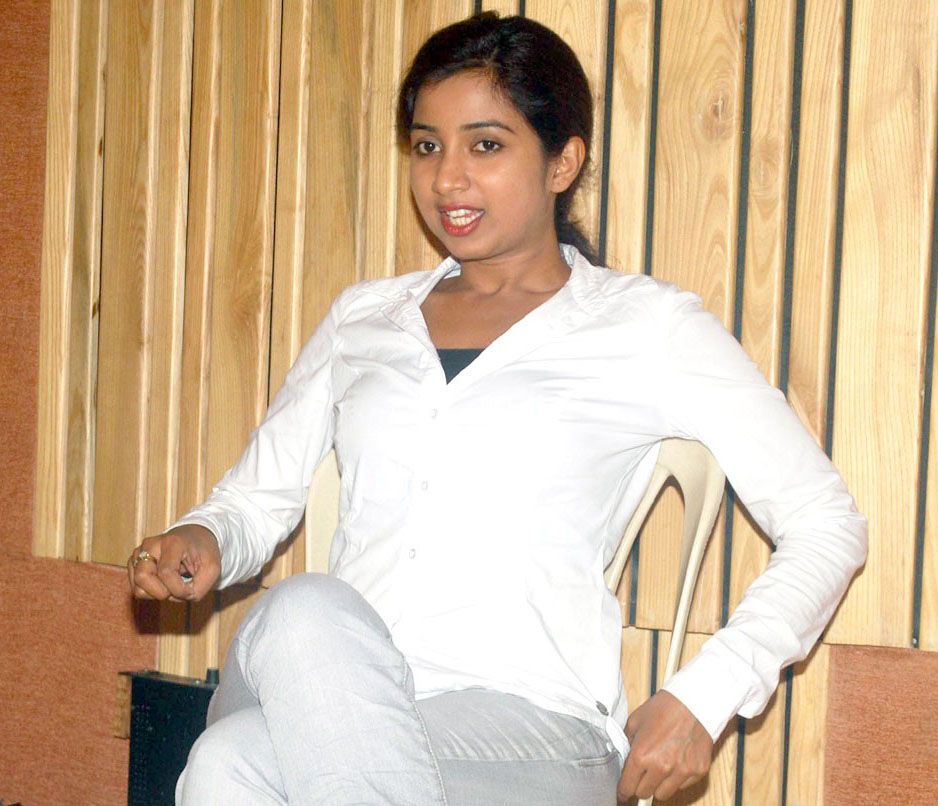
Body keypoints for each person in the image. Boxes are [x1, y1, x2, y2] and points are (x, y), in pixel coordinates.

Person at [127, 12, 866, 805]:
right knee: (303, 618)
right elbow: (254, 501)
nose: (447, 178)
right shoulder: (364, 318)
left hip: (531, 733)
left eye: (484, 145)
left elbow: (825, 522)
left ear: (562, 162)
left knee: (229, 759)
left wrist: (706, 695)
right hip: (332, 691)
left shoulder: (646, 326)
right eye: (426, 146)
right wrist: (206, 537)